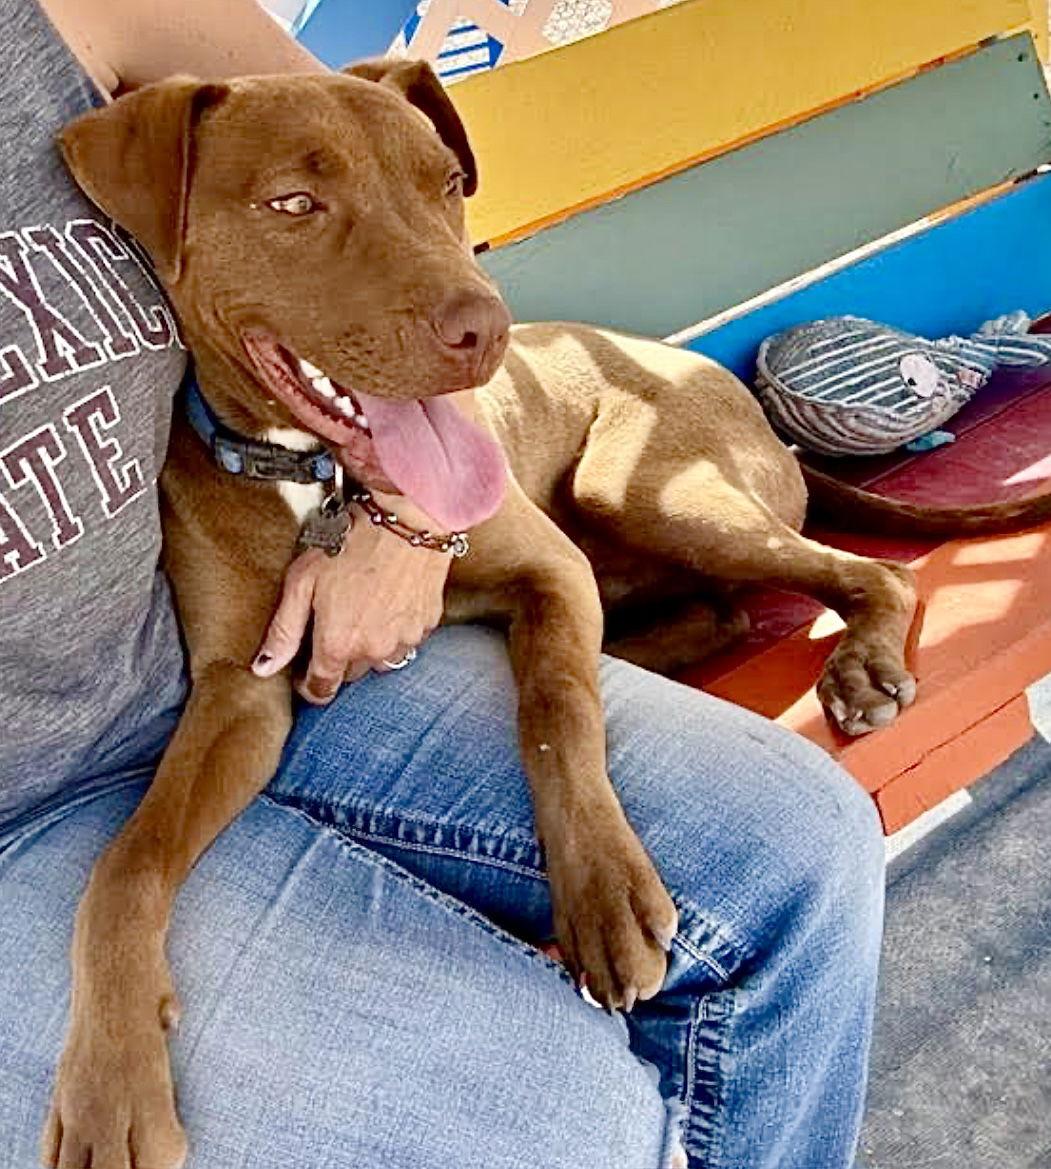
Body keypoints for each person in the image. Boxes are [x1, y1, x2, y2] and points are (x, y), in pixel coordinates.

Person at [0, 1, 886, 1165]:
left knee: (806, 840)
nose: (479, 310)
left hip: (183, 685)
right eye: (292, 208)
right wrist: (119, 939)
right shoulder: (208, 449)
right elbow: (249, 680)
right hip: (66, 779)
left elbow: (370, 160)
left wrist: (407, 517)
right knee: (549, 1117)